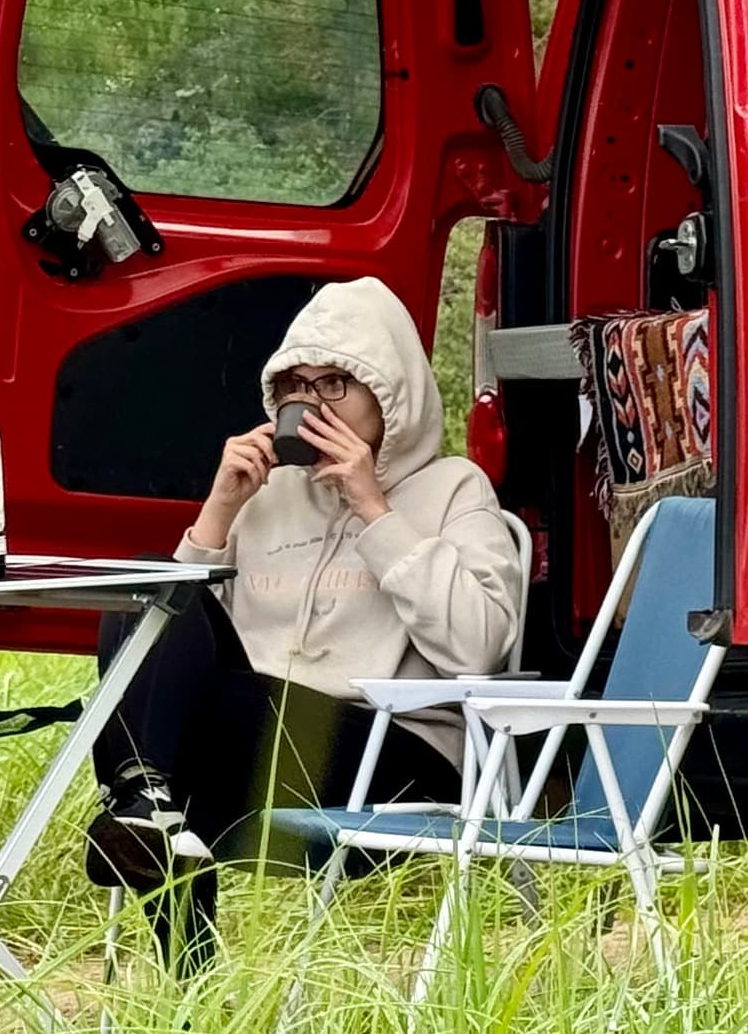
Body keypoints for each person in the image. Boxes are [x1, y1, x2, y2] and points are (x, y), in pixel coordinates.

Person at [84, 274, 523, 957]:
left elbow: (480, 649)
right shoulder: (268, 497)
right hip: (256, 741)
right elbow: (177, 646)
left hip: (391, 751)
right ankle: (160, 848)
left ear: (390, 394)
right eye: (297, 387)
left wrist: (376, 511)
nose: (312, 404)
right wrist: (219, 511)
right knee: (151, 596)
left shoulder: (453, 489)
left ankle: (146, 813)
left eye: (334, 385)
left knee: (170, 694)